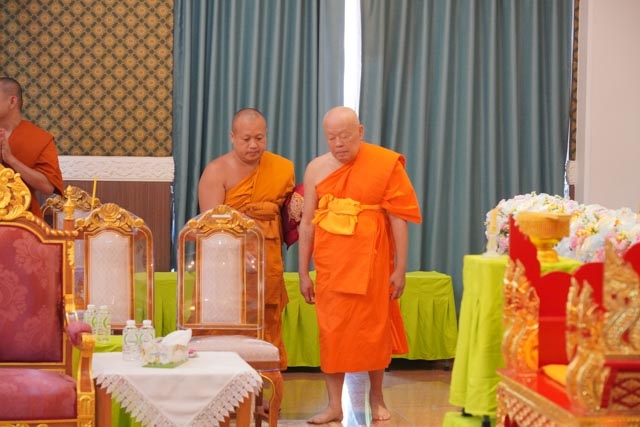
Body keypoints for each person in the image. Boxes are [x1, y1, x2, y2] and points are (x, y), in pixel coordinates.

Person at [298, 106, 422, 424]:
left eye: (345, 135)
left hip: (373, 263)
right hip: (331, 265)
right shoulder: (316, 169)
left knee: (373, 331)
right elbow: (307, 223)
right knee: (331, 332)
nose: (338, 143)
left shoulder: (383, 164)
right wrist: (302, 272)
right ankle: (334, 406)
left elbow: (398, 219)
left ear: (360, 132)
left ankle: (376, 398)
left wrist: (400, 268)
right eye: (331, 137)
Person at [198, 108, 295, 371]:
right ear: (232, 136)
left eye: (259, 138)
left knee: (266, 321)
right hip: (227, 268)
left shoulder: (282, 169)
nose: (254, 145)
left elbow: (287, 216)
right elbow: (210, 228)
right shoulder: (217, 171)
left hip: (267, 261)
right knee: (225, 323)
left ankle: (265, 384)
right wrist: (240, 253)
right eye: (246, 139)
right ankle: (222, 382)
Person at [0, 76, 64, 218]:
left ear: (12, 101)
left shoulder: (39, 138)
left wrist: (11, 159)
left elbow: (47, 187)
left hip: (24, 219)